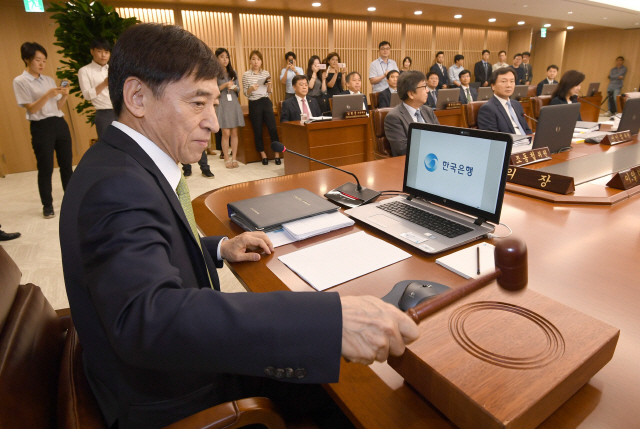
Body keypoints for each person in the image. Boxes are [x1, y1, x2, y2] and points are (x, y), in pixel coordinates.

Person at [59, 23, 418, 429]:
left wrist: (215, 248)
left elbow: (149, 245)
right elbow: (150, 318)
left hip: (174, 368)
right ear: (137, 97)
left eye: (215, 103)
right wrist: (331, 321)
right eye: (198, 103)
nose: (213, 122)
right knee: (359, 399)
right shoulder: (118, 187)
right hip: (176, 396)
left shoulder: (123, 161)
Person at [13, 42, 73, 219]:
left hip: (59, 123)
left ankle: (71, 200)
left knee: (66, 165)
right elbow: (31, 108)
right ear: (26, 59)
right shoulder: (20, 81)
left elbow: (57, 106)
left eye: (44, 60)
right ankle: (47, 205)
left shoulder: (47, 79)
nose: (41, 64)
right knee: (46, 167)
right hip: (41, 127)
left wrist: (64, 96)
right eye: (38, 60)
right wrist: (47, 95)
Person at [384, 70, 439, 156]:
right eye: (424, 87)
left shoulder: (428, 111)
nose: (427, 90)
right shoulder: (394, 117)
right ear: (411, 94)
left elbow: (439, 136)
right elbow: (403, 149)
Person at [243, 50, 281, 165]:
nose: (256, 62)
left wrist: (269, 86)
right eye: (253, 59)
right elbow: (245, 92)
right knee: (257, 130)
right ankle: (263, 154)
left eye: (258, 59)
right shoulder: (246, 75)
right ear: (250, 61)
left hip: (265, 101)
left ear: (261, 61)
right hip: (254, 103)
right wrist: (251, 89)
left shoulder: (265, 73)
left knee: (273, 128)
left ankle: (277, 154)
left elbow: (269, 92)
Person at [477, 67, 532, 135]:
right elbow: (493, 138)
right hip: (512, 144)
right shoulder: (488, 109)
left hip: (528, 142)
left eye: (512, 81)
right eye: (504, 81)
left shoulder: (517, 104)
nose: (509, 85)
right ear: (493, 86)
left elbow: (527, 130)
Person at [78, 38, 115, 139]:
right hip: (104, 114)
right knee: (107, 146)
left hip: (120, 111)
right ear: (92, 51)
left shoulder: (113, 69)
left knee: (126, 144)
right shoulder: (85, 71)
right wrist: (103, 84)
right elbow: (87, 95)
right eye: (99, 51)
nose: (103, 55)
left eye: (106, 52)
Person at [215, 47, 244, 170]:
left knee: (234, 132)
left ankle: (234, 158)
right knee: (225, 133)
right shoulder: (214, 74)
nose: (225, 59)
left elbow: (239, 89)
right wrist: (225, 85)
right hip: (222, 103)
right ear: (217, 59)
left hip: (233, 103)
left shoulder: (233, 72)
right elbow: (214, 90)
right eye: (222, 57)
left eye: (227, 57)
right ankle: (226, 158)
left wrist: (234, 87)